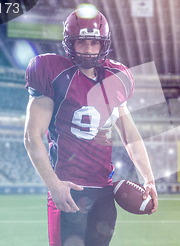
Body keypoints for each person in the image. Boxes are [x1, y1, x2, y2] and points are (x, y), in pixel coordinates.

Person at [23, 8, 158, 246]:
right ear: (69, 44)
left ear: (103, 44)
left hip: (104, 193)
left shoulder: (116, 78)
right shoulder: (52, 72)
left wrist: (149, 179)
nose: (88, 49)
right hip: (68, 188)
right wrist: (54, 185)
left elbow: (129, 135)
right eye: (81, 42)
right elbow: (32, 136)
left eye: (94, 43)